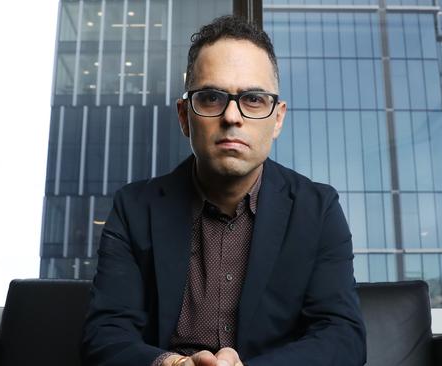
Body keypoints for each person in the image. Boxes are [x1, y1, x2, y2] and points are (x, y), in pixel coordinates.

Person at [82, 15, 366, 366]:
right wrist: (173, 365)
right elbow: (105, 335)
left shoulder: (318, 209)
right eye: (212, 97)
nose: (232, 116)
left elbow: (342, 338)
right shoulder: (134, 208)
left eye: (254, 99)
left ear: (278, 119)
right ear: (185, 116)